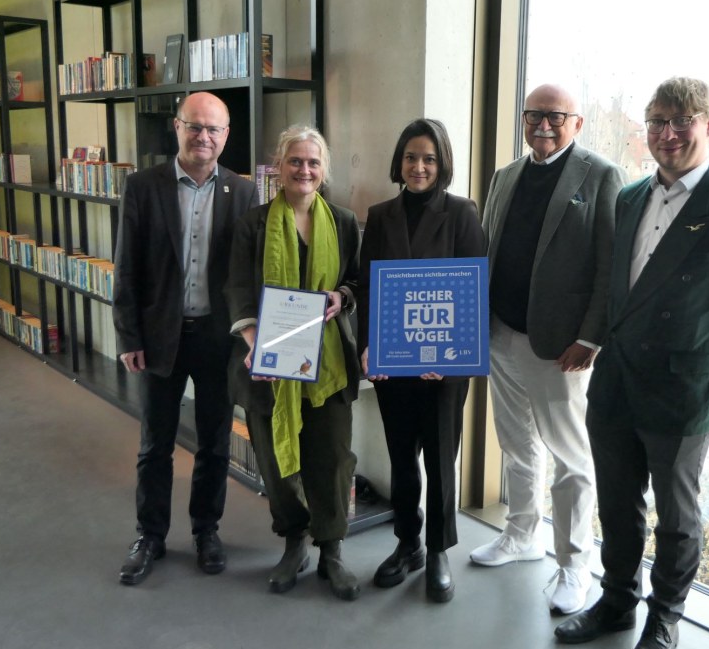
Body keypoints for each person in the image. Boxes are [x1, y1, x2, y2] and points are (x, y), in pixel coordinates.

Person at [554, 77, 709, 649]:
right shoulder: (628, 198)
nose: (668, 133)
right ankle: (615, 603)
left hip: (684, 392)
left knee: (676, 519)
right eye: (657, 121)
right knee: (617, 504)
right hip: (616, 383)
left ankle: (664, 621)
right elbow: (618, 291)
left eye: (682, 121)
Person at [472, 83, 626, 615]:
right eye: (534, 115)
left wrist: (591, 336)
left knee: (571, 459)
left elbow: (611, 265)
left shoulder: (601, 175)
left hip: (560, 346)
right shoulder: (505, 176)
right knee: (515, 445)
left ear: (576, 123)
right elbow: (488, 248)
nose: (543, 125)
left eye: (555, 117)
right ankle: (520, 536)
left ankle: (574, 565)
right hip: (499, 332)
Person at [112, 92, 260, 585]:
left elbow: (251, 271)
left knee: (215, 442)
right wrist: (129, 333)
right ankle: (149, 535)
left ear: (226, 136)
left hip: (218, 338)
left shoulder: (242, 192)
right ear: (176, 128)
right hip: (159, 337)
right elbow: (127, 266)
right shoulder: (143, 187)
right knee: (155, 442)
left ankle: (206, 530)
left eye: (213, 129)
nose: (203, 137)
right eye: (194, 126)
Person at [224, 124, 363, 601]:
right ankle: (293, 542)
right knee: (276, 458)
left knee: (333, 459)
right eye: (295, 161)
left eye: (313, 162)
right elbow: (238, 287)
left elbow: (357, 284)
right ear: (279, 167)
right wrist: (254, 344)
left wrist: (339, 296)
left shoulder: (344, 222)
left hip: (327, 365)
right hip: (267, 364)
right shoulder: (253, 223)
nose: (304, 170)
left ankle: (332, 550)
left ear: (323, 171)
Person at [357, 118, 486, 603]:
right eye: (411, 157)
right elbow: (368, 286)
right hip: (393, 365)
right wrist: (369, 345)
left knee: (440, 461)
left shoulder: (462, 213)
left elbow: (474, 292)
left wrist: (452, 359)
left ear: (442, 163)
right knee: (402, 459)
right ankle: (407, 543)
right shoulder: (380, 215)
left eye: (429, 158)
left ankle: (437, 551)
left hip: (443, 369)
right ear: (399, 161)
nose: (419, 166)